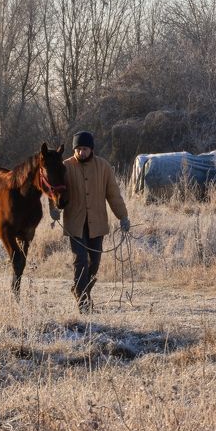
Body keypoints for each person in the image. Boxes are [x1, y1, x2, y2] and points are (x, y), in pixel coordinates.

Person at [49, 131, 131, 313]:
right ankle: (84, 304)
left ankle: (79, 290)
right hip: (75, 224)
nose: (81, 153)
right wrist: (54, 209)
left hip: (97, 222)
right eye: (78, 149)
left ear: (91, 149)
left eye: (84, 149)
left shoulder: (103, 167)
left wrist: (123, 216)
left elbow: (113, 194)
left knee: (94, 264)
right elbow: (54, 189)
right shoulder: (65, 167)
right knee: (80, 262)